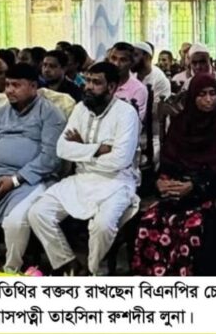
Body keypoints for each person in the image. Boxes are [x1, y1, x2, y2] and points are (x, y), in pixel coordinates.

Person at [28, 62, 140, 276]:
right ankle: (68, 264)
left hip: (116, 182)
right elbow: (62, 149)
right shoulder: (81, 108)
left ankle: (92, 270)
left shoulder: (126, 113)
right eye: (87, 80)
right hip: (81, 178)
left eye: (96, 82)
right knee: (38, 212)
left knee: (103, 226)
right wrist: (98, 149)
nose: (88, 86)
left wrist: (81, 149)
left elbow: (120, 160)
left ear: (112, 87)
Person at [0, 63, 66, 273]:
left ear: (33, 86)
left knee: (15, 223)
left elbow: (50, 159)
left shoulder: (50, 113)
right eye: (8, 85)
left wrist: (15, 180)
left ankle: (12, 268)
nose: (9, 90)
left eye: (16, 85)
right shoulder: (1, 113)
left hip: (32, 180)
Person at [132, 74, 216, 276]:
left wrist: (194, 186)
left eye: (212, 94)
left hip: (208, 192)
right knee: (150, 220)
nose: (208, 100)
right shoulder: (181, 123)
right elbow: (168, 161)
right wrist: (162, 182)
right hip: (176, 191)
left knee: (190, 228)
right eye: (202, 94)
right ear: (192, 97)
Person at [108, 42, 148, 121]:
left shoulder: (139, 89)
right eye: (113, 58)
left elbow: (134, 121)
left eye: (123, 60)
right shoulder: (102, 84)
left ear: (131, 63)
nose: (116, 64)